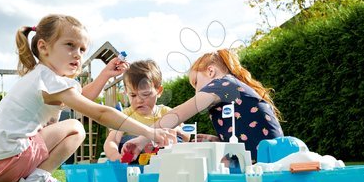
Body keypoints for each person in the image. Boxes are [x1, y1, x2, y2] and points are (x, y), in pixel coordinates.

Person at [0, 14, 175, 182]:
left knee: (58, 126)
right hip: (8, 161)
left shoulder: (41, 77)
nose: (78, 53)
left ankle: (31, 179)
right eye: (70, 45)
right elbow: (100, 113)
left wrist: (104, 74)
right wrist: (150, 132)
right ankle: (38, 179)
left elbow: (82, 99)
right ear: (43, 47)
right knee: (76, 128)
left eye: (82, 49)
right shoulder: (49, 79)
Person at [122, 49, 284, 164]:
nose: (197, 91)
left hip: (264, 159)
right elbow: (245, 132)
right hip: (269, 155)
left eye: (196, 83)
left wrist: (143, 138)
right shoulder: (233, 89)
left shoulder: (222, 85)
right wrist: (219, 141)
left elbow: (178, 114)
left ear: (211, 71)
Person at [103, 59, 189, 163]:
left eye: (146, 94)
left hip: (163, 161)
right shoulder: (125, 115)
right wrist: (116, 157)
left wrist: (175, 131)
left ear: (158, 91)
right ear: (126, 92)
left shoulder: (166, 113)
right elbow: (112, 140)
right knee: (127, 140)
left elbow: (186, 136)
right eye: (133, 95)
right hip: (133, 162)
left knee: (174, 138)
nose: (139, 100)